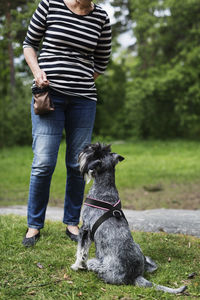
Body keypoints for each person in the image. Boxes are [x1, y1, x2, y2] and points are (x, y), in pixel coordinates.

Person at [22, 0, 111, 246]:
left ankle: (72, 223)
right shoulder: (50, 5)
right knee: (43, 162)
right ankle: (33, 226)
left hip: (83, 100)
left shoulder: (101, 17)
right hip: (48, 96)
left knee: (76, 164)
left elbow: (101, 61)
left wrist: (79, 82)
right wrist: (37, 71)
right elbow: (29, 44)